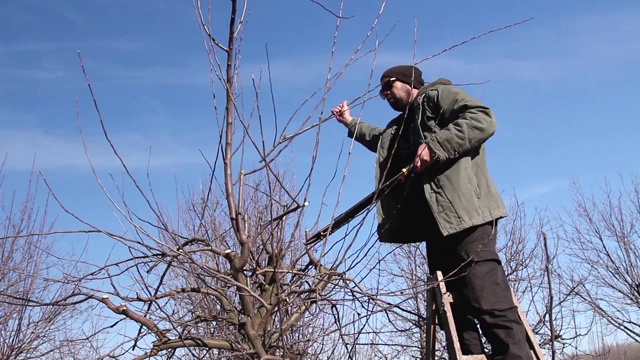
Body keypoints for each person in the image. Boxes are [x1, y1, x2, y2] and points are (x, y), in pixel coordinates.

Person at [331, 65, 531, 359]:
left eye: (389, 86)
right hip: (435, 226)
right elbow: (380, 140)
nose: (384, 94)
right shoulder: (400, 126)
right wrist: (350, 122)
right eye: (381, 91)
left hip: (466, 216)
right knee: (452, 307)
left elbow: (482, 118)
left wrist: (436, 145)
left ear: (408, 81)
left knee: (483, 293)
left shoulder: (437, 97)